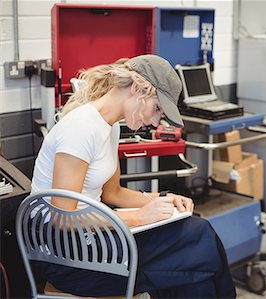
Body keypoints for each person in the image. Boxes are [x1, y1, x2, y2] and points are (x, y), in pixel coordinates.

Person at [31, 54, 236, 298]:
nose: (154, 121)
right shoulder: (81, 128)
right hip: (67, 256)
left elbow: (113, 193)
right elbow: (62, 220)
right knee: (197, 241)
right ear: (138, 88)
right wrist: (139, 218)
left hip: (91, 238)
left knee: (194, 245)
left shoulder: (110, 126)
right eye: (157, 108)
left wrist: (162, 199)